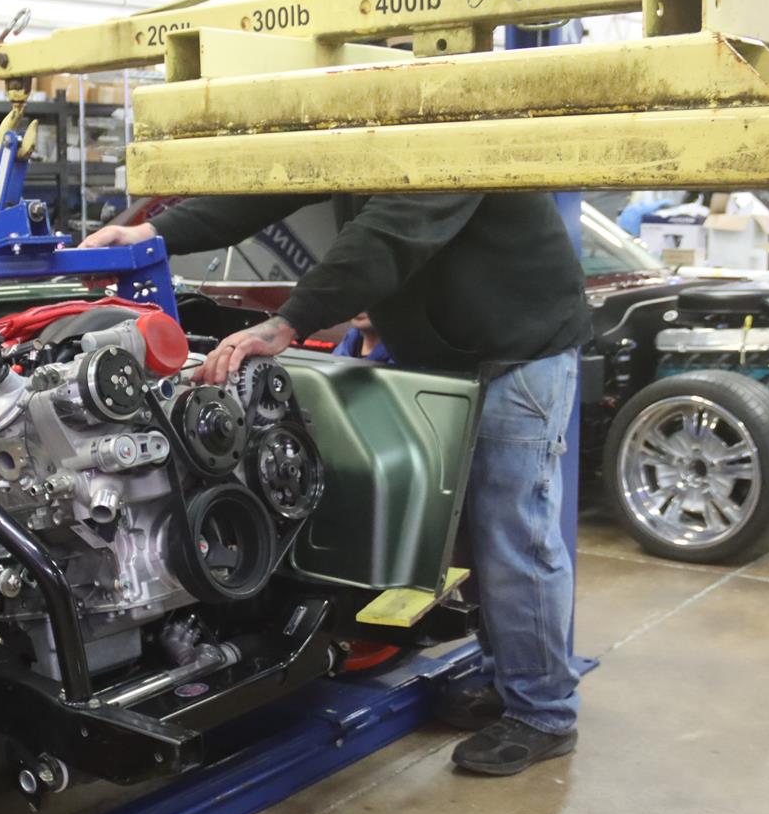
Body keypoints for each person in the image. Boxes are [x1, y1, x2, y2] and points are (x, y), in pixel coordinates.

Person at [82, 192, 594, 776]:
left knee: (512, 533)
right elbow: (271, 181)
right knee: (471, 534)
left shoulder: (453, 137)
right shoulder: (360, 137)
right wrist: (153, 233)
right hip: (446, 350)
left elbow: (395, 225)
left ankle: (542, 712)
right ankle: (514, 680)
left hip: (518, 349)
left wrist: (288, 321)